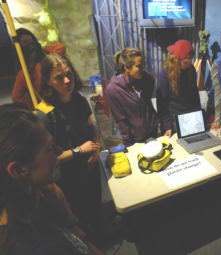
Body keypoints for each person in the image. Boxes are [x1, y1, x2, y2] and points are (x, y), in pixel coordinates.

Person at [0, 104, 103, 255]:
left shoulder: (34, 203)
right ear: (19, 170)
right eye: (49, 148)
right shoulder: (36, 246)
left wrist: (68, 220)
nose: (59, 151)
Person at [39, 53, 101, 238]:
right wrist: (79, 150)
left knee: (95, 207)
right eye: (59, 77)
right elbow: (49, 161)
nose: (67, 80)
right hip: (69, 178)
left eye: (69, 74)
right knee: (79, 218)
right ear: (48, 81)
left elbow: (91, 126)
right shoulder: (44, 115)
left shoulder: (80, 100)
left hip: (90, 167)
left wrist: (95, 148)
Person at [106, 48, 158, 145]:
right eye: (139, 66)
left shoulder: (147, 79)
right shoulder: (113, 90)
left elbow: (147, 103)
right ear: (126, 68)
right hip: (135, 140)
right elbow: (121, 120)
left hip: (153, 132)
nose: (143, 69)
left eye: (143, 65)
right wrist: (128, 144)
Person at [156, 40, 201, 136]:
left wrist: (199, 116)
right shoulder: (164, 74)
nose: (189, 63)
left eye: (191, 59)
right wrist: (167, 126)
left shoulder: (191, 70)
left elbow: (195, 94)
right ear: (176, 59)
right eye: (185, 61)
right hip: (174, 120)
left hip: (190, 117)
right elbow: (162, 104)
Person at [11, 28, 45, 109]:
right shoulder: (23, 74)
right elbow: (16, 98)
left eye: (31, 41)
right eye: (26, 43)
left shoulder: (48, 59)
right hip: (42, 108)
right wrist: (46, 110)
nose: (31, 47)